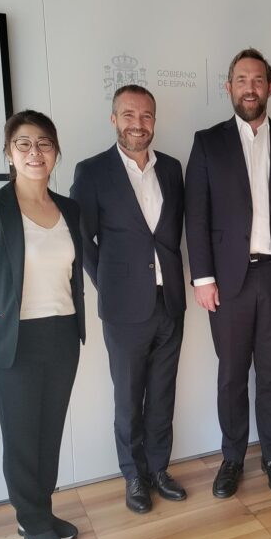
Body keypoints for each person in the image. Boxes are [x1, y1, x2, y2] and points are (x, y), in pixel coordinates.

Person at [185, 47, 271, 498]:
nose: (250, 88)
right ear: (228, 87)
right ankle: (232, 458)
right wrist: (203, 278)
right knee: (231, 375)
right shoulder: (208, 142)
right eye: (241, 80)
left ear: (270, 87)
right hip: (227, 282)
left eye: (258, 80)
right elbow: (196, 215)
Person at [0, 110, 85, 539]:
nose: (35, 152)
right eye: (24, 144)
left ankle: (41, 512)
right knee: (21, 435)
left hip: (62, 334)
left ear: (56, 153)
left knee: (49, 431)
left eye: (44, 143)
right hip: (13, 342)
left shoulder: (70, 209)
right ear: (9, 153)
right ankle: (31, 524)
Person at [71, 85, 187, 513]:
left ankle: (159, 469)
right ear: (114, 119)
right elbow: (81, 238)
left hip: (169, 301)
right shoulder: (93, 171)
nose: (138, 124)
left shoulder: (171, 168)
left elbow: (171, 233)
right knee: (128, 398)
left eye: (146, 116)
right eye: (129, 115)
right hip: (124, 308)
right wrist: (109, 282)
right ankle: (134, 475)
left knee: (162, 395)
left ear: (154, 120)